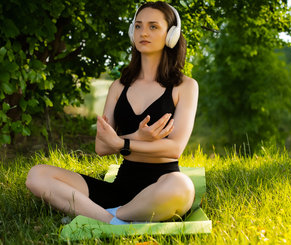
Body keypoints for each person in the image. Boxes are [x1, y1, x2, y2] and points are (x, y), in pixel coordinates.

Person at [26, 1, 198, 224]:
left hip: (162, 187)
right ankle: (112, 220)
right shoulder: (118, 86)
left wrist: (123, 144)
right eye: (138, 26)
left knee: (182, 185)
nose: (143, 32)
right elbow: (101, 147)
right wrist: (137, 137)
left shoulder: (185, 86)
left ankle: (110, 217)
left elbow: (174, 149)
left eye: (153, 26)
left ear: (171, 35)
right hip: (120, 190)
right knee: (37, 175)